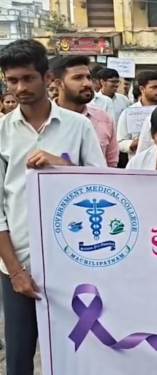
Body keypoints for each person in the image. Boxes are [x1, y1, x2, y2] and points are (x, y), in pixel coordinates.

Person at [0, 39, 107, 375]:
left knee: (78, 353)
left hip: (75, 261)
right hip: (19, 265)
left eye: (27, 78)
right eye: (12, 80)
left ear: (47, 79)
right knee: (19, 359)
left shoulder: (78, 127)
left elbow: (104, 188)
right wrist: (15, 271)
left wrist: (60, 165)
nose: (20, 87)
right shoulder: (2, 132)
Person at [51, 56, 118, 167]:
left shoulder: (103, 118)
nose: (87, 84)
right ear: (59, 84)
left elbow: (111, 165)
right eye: (78, 78)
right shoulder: (44, 120)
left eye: (88, 77)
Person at [116, 71, 157, 160]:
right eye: (154, 87)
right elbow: (120, 142)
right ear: (142, 89)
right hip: (138, 163)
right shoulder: (129, 113)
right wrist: (139, 143)